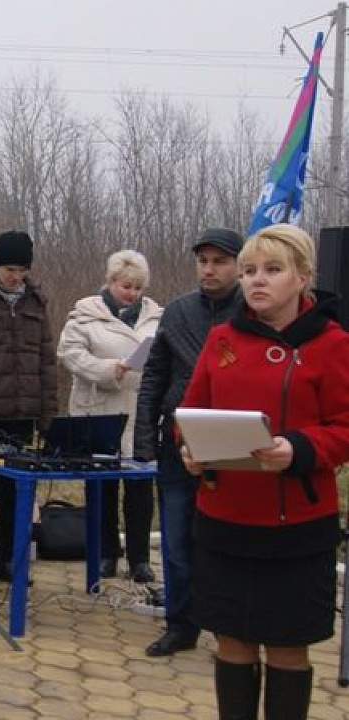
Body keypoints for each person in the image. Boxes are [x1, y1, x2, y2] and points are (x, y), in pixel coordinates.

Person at [177, 223, 349, 720]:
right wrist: (190, 448)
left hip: (296, 529)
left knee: (288, 647)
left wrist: (297, 448)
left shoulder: (332, 344)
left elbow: (344, 426)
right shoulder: (222, 339)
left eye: (273, 270)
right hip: (224, 520)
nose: (257, 281)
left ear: (303, 277)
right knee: (231, 641)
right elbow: (190, 412)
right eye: (250, 270)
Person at [134, 227, 244, 658]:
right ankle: (182, 625)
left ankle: (231, 627)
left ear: (237, 264)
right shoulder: (177, 312)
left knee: (227, 542)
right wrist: (145, 440)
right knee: (177, 542)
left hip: (236, 444)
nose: (210, 269)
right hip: (178, 442)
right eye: (204, 261)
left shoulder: (252, 312)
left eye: (220, 261)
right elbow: (155, 378)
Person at [58, 250, 162, 583]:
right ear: (111, 281)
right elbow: (70, 354)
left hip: (141, 411)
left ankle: (139, 558)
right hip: (99, 409)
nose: (131, 293)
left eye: (137, 287)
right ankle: (104, 554)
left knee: (140, 488)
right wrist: (108, 370)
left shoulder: (157, 316)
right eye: (125, 286)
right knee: (102, 486)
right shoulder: (85, 314)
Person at [0, 230, 57, 588]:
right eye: (9, 268)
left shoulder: (36, 302)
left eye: (22, 269)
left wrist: (47, 415)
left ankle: (8, 557)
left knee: (15, 491)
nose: (16, 276)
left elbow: (47, 361)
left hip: (23, 413)